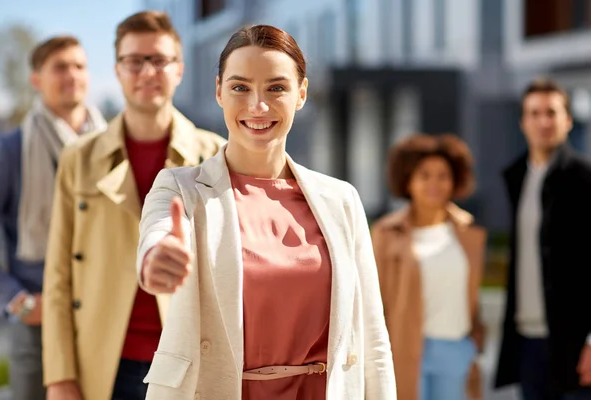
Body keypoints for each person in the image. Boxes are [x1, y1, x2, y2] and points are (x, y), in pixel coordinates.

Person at [135, 24, 396, 399]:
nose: (257, 106)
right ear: (219, 92)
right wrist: (156, 259)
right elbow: (156, 236)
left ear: (301, 94)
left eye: (276, 87)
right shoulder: (180, 188)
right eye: (240, 87)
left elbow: (373, 337)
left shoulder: (341, 199)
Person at [41, 11, 225, 400]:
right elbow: (58, 275)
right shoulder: (79, 158)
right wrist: (59, 376)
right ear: (117, 69)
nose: (147, 71)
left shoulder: (215, 155)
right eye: (134, 61)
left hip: (189, 360)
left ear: (179, 70)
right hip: (104, 362)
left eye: (160, 60)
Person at [0, 35, 106, 400]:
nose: (72, 75)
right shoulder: (8, 151)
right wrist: (16, 301)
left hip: (104, 316)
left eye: (79, 66)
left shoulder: (111, 146)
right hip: (38, 323)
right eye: (60, 67)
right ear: (36, 79)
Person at [495, 78, 591, 399]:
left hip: (576, 344)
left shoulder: (584, 178)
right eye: (534, 113)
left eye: (551, 112)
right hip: (526, 342)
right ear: (523, 122)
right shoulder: (515, 177)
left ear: (567, 120)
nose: (543, 121)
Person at [371, 134, 486, 400]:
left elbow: (472, 297)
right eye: (425, 175)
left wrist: (475, 344)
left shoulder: (467, 230)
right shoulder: (386, 232)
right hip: (404, 347)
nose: (434, 183)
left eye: (442, 175)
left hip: (456, 348)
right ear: (408, 181)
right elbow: (375, 300)